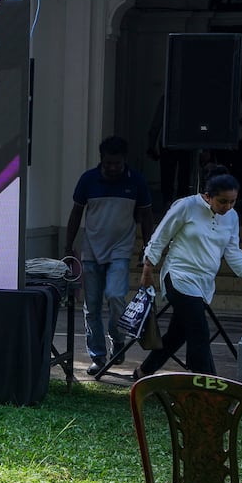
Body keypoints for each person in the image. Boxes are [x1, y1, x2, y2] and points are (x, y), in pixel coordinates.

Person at [137, 170, 242, 378]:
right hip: (178, 276)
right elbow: (161, 235)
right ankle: (206, 383)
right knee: (200, 332)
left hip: (203, 283)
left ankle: (142, 372)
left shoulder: (231, 217)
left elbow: (233, 252)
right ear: (208, 196)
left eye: (232, 201)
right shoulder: (187, 206)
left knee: (178, 334)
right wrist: (147, 269)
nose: (228, 207)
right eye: (222, 201)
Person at [65, 136, 155, 374]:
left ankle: (118, 339)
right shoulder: (88, 180)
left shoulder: (136, 181)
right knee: (92, 306)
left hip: (121, 250)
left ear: (124, 160)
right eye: (108, 163)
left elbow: (146, 216)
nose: (113, 168)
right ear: (101, 160)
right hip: (91, 250)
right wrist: (68, 245)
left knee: (116, 297)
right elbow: (76, 213)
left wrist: (148, 248)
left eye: (117, 163)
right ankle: (98, 357)